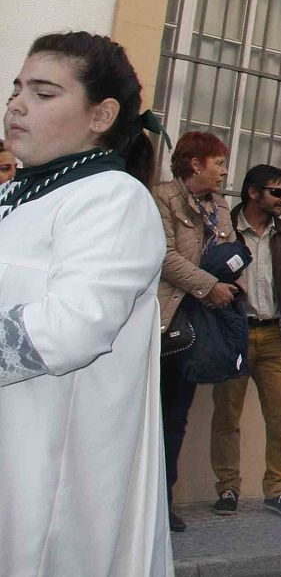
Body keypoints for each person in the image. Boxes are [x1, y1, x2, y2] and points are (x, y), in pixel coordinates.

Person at [0, 31, 171, 575]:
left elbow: (69, 329)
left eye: (44, 93)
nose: (17, 106)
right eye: (16, 89)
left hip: (50, 471)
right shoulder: (13, 196)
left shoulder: (112, 199)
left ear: (101, 115)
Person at [209, 163, 281, 518]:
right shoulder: (225, 231)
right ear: (253, 193)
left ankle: (277, 490)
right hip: (235, 334)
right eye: (277, 192)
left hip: (274, 335)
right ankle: (228, 488)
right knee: (226, 416)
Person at [153, 128, 237, 531]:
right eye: (218, 162)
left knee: (176, 416)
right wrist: (209, 285)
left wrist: (229, 278)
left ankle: (163, 503)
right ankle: (143, 502)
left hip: (201, 325)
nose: (223, 171)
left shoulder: (219, 205)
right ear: (195, 163)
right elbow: (163, 256)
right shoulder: (162, 197)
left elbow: (231, 249)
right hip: (165, 321)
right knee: (150, 417)